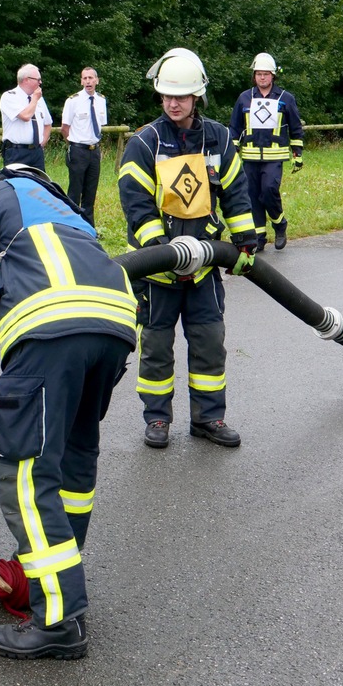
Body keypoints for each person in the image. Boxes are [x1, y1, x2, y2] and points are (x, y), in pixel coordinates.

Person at [0, 164, 136, 660]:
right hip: (114, 328)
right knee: (73, 458)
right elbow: (42, 375)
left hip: (53, 328)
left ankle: (57, 620)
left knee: (28, 476)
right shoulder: (71, 214)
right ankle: (55, 579)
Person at [118, 48, 257, 450]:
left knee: (210, 342)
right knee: (157, 347)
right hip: (158, 271)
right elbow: (136, 203)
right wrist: (162, 250)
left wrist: (245, 240)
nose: (173, 103)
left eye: (181, 96)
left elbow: (236, 192)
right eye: (166, 96)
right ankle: (158, 419)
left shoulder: (219, 138)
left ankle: (209, 418)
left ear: (197, 96)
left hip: (205, 267)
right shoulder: (145, 143)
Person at [229, 52, 305, 251]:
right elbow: (235, 126)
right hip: (250, 157)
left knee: (269, 191)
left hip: (274, 156)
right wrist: (233, 147)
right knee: (252, 196)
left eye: (266, 74)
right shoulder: (244, 98)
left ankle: (280, 225)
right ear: (254, 76)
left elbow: (296, 127)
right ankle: (259, 237)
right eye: (258, 74)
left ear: (273, 76)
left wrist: (297, 153)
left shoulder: (285, 98)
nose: (262, 77)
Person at [60, 66, 107, 225]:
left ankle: (88, 228)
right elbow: (64, 128)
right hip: (78, 151)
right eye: (85, 78)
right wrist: (74, 145)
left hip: (94, 151)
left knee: (90, 191)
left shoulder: (101, 100)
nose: (88, 81)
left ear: (96, 80)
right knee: (75, 191)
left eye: (91, 78)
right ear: (81, 81)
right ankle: (71, 226)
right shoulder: (73, 101)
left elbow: (100, 125)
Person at [0, 64, 53, 171]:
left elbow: (48, 123)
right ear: (26, 80)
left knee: (39, 185)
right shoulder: (10, 96)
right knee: (17, 185)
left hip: (36, 152)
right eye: (38, 80)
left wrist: (42, 143)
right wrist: (34, 100)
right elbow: (26, 116)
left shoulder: (39, 99)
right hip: (16, 152)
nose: (40, 83)